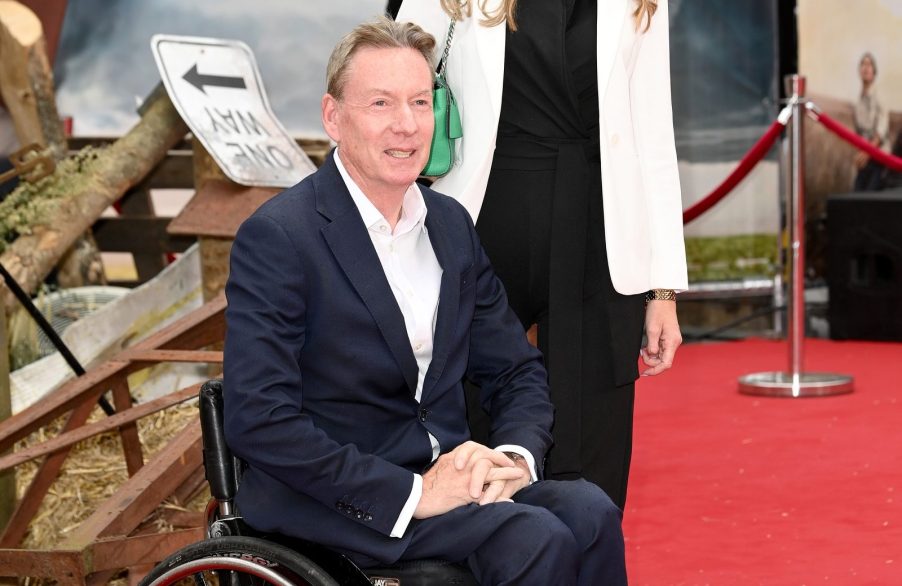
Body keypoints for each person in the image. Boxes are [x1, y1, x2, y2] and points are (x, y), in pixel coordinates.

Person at [223, 17, 627, 585]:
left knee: (589, 510)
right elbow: (259, 419)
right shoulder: (281, 237)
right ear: (333, 117)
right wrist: (413, 492)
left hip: (446, 482)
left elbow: (514, 368)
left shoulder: (449, 225)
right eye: (381, 104)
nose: (408, 125)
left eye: (420, 101)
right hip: (334, 504)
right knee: (532, 538)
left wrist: (513, 458)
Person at [395, 0, 687, 509]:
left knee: (594, 437)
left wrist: (663, 287)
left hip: (601, 232)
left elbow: (654, 132)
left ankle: (582, 561)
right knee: (468, 419)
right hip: (482, 218)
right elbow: (394, 63)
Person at [852, 52, 890, 192]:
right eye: (863, 64)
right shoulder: (858, 102)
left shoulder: (880, 95)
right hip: (865, 157)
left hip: (879, 157)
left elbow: (881, 131)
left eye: (869, 64)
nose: (866, 68)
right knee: (856, 193)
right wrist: (861, 154)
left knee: (869, 195)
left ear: (874, 71)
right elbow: (859, 133)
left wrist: (867, 153)